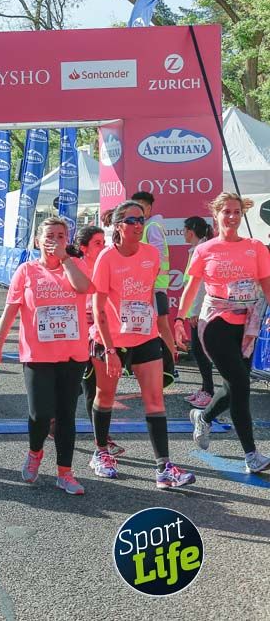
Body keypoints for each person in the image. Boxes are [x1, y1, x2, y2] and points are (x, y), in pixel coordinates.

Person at [89, 201, 195, 488]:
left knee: (155, 400)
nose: (139, 225)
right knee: (105, 396)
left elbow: (151, 297)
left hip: (145, 337)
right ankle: (101, 452)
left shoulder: (151, 254)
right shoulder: (106, 259)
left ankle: (164, 468)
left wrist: (165, 337)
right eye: (132, 220)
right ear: (118, 226)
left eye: (142, 220)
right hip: (110, 339)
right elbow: (97, 308)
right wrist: (109, 349)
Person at [0, 217, 92, 495]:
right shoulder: (26, 271)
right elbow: (11, 309)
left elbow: (84, 288)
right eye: (49, 236)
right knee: (40, 414)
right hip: (38, 354)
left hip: (72, 353)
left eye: (60, 235)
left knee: (67, 415)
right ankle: (35, 453)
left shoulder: (76, 265)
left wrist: (66, 260)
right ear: (37, 240)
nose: (55, 240)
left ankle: (65, 473)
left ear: (66, 240)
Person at [176, 193, 270, 474]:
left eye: (237, 212)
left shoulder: (256, 248)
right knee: (241, 387)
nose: (231, 217)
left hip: (247, 325)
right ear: (216, 215)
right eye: (226, 212)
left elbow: (267, 284)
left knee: (233, 386)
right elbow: (191, 288)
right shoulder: (205, 250)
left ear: (242, 215)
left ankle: (203, 417)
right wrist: (180, 319)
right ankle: (251, 455)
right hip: (215, 323)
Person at [66, 225, 124, 456]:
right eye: (98, 243)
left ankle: (101, 437)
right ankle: (52, 417)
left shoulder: (108, 264)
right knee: (81, 386)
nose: (104, 246)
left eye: (104, 241)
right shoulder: (75, 267)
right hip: (78, 334)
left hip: (101, 333)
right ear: (84, 248)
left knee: (94, 388)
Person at [130, 191, 177, 385]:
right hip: (147, 287)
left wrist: (148, 279)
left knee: (162, 325)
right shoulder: (145, 226)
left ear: (150, 208)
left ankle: (171, 367)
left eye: (142, 207)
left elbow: (155, 256)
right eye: (136, 207)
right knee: (152, 325)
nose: (139, 211)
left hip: (154, 287)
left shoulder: (152, 227)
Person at [177, 216, 216, 409]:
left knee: (201, 353)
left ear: (190, 232)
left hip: (201, 312)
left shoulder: (200, 251)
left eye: (184, 231)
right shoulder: (195, 250)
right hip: (199, 311)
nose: (183, 234)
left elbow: (200, 286)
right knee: (199, 353)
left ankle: (209, 392)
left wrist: (194, 311)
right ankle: (205, 389)